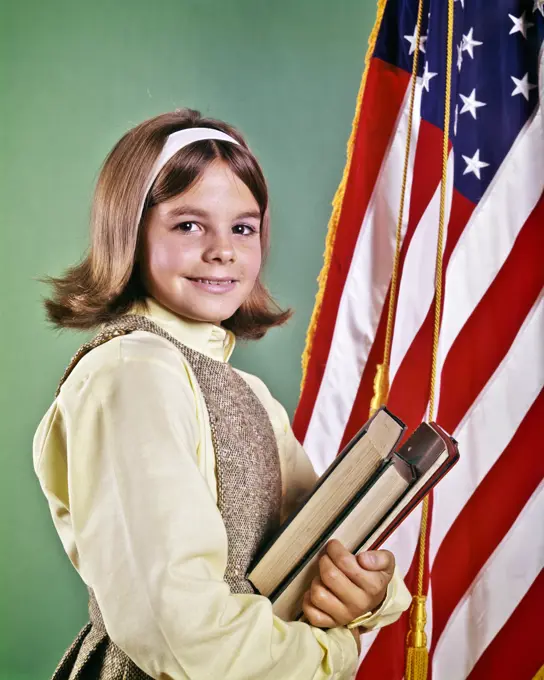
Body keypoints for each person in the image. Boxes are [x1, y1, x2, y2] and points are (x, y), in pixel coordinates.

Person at [33, 109, 411, 680]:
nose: (223, 250)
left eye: (243, 227)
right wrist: (334, 654)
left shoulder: (249, 391)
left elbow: (319, 543)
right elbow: (177, 629)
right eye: (188, 225)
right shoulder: (132, 370)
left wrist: (365, 591)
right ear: (130, 234)